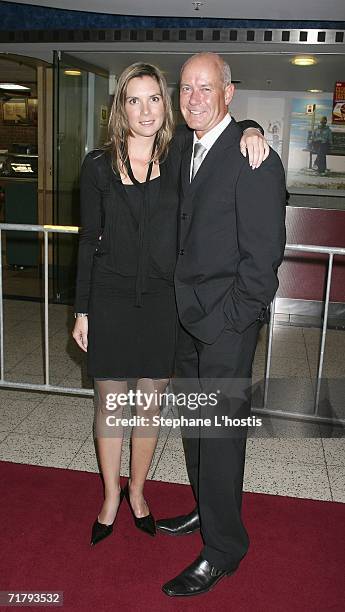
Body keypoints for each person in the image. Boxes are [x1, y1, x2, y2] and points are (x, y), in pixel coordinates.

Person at [72, 61, 268, 547]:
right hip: (111, 299)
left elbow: (222, 131)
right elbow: (85, 240)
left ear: (166, 104)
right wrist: (82, 309)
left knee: (149, 405)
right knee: (110, 405)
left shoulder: (179, 153)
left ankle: (139, 492)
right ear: (121, 106)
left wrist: (251, 128)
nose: (146, 109)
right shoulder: (97, 165)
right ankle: (111, 496)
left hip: (164, 303)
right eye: (134, 99)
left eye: (154, 98)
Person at [156, 53, 286, 597]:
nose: (194, 99)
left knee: (222, 436)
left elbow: (263, 262)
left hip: (225, 327)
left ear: (228, 93)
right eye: (185, 88)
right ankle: (205, 511)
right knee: (194, 428)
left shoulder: (255, 158)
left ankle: (224, 548)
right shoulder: (181, 146)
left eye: (205, 88)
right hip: (184, 319)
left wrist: (230, 323)